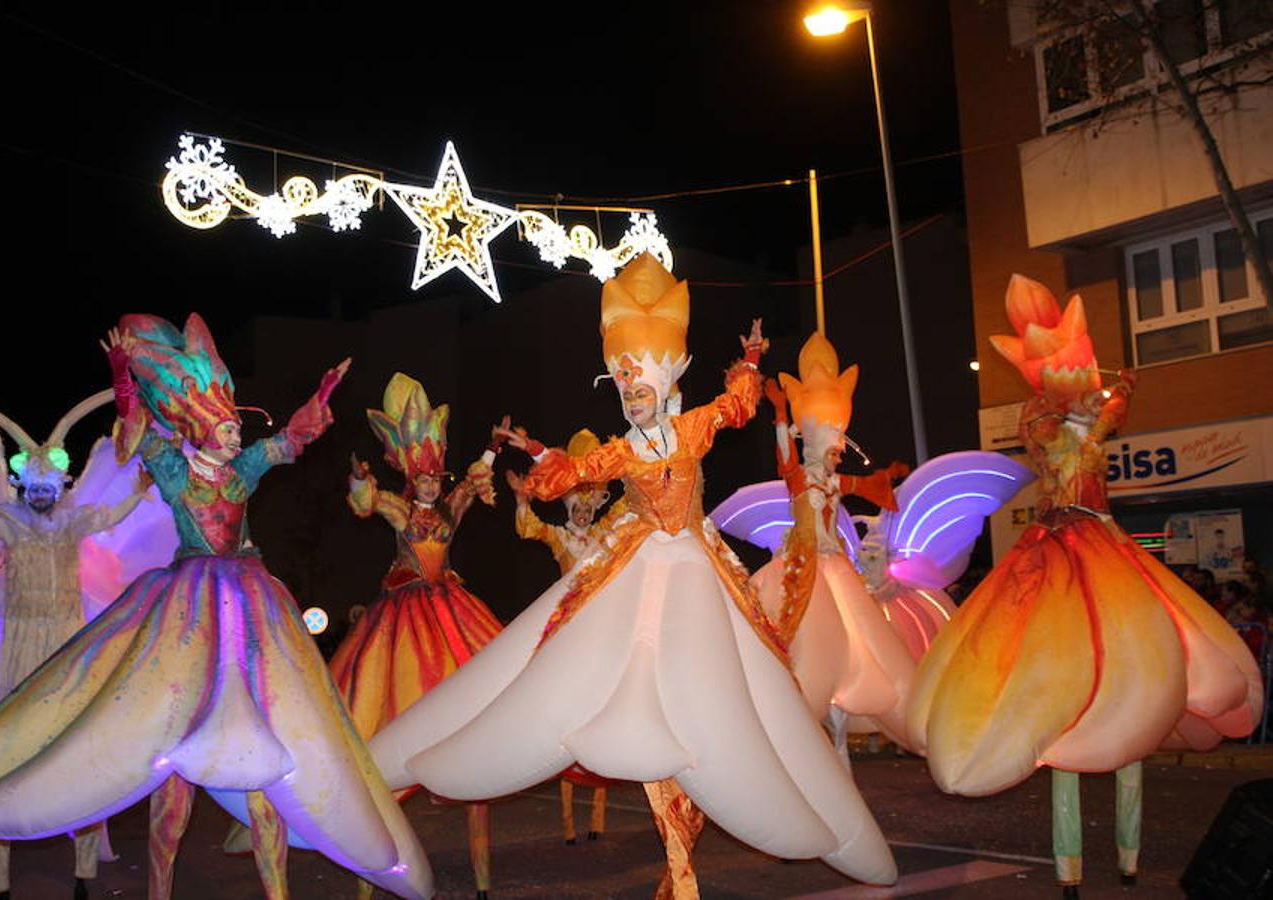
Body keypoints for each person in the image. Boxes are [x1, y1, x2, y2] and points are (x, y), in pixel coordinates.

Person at [369, 253, 897, 898]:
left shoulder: (693, 427)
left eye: (642, 388)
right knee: (584, 662)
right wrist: (536, 457)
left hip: (697, 568)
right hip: (638, 561)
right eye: (625, 389)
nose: (634, 397)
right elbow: (569, 474)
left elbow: (735, 406)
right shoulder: (621, 450)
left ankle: (745, 832)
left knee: (731, 689)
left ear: (669, 382)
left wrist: (754, 360)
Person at [0, 315, 433, 900]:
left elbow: (290, 441)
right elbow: (135, 432)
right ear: (201, 430)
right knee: (170, 756)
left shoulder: (241, 474)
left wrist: (319, 398)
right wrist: (122, 377)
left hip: (250, 606)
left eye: (236, 429)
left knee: (275, 745)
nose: (237, 436)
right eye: (227, 428)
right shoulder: (172, 470)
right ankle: (157, 883)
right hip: (189, 609)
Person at [907, 275, 1264, 897]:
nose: (1085, 393)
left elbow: (1109, 413)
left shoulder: (1081, 418)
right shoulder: (1045, 424)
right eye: (1071, 380)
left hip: (1105, 545)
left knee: (1135, 706)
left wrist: (1111, 399)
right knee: (1063, 719)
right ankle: (1069, 868)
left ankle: (1127, 855)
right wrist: (1094, 412)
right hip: (1059, 550)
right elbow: (1062, 437)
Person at [0, 384, 164, 900]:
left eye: (46, 488)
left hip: (67, 642)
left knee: (75, 754)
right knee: (2, 756)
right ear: (22, 489)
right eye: (31, 488)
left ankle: (83, 878)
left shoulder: (73, 525)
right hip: (19, 645)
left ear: (58, 488)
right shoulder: (9, 526)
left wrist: (138, 494)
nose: (38, 496)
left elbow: (108, 518)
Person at [328, 372, 503, 900]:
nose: (430, 484)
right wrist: (359, 479)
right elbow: (366, 504)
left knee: (476, 694)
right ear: (410, 477)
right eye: (422, 477)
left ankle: (482, 876)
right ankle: (372, 864)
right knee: (387, 705)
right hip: (403, 616)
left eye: (435, 477)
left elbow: (475, 485)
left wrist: (493, 448)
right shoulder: (401, 510)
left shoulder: (451, 509)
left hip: (450, 610)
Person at [751, 334, 914, 759]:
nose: (839, 449)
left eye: (840, 440)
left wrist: (891, 474)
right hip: (801, 567)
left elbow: (868, 484)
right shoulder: (800, 478)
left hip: (833, 565)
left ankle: (838, 733)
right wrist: (781, 410)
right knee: (796, 639)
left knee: (853, 641)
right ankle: (790, 718)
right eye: (833, 440)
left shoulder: (833, 480)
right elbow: (785, 451)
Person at [507, 431, 623, 846]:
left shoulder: (605, 532)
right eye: (577, 506)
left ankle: (598, 817)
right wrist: (523, 497)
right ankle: (570, 821)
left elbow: (630, 505)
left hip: (602, 631)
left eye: (590, 507)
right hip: (568, 632)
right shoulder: (559, 537)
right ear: (568, 507)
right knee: (566, 717)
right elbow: (529, 529)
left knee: (599, 713)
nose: (583, 513)